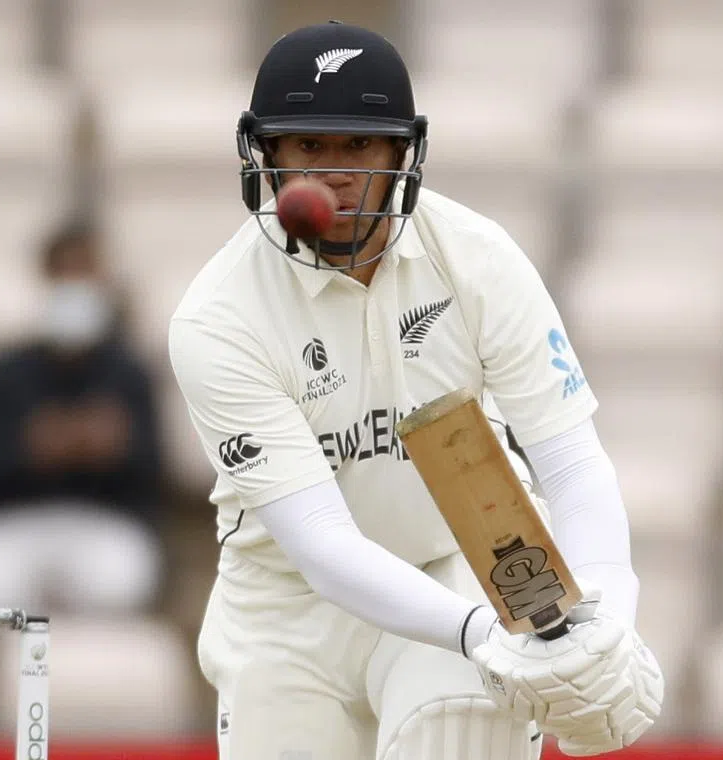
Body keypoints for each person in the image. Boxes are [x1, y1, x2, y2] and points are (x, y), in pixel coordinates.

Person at [168, 22, 664, 760]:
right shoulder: (219, 317)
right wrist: (484, 634)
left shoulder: (477, 258)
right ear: (266, 155)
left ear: (403, 153)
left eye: (358, 147)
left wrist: (603, 612)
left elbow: (571, 464)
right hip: (287, 606)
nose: (331, 175)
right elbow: (323, 547)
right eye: (308, 146)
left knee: (461, 729)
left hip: (456, 559)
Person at [0, 221, 165, 616]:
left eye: (85, 272)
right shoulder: (2, 373)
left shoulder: (130, 374)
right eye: (64, 272)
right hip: (14, 523)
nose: (74, 284)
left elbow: (153, 470)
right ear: (44, 278)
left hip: (105, 523)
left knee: (118, 582)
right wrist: (34, 449)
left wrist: (107, 450)